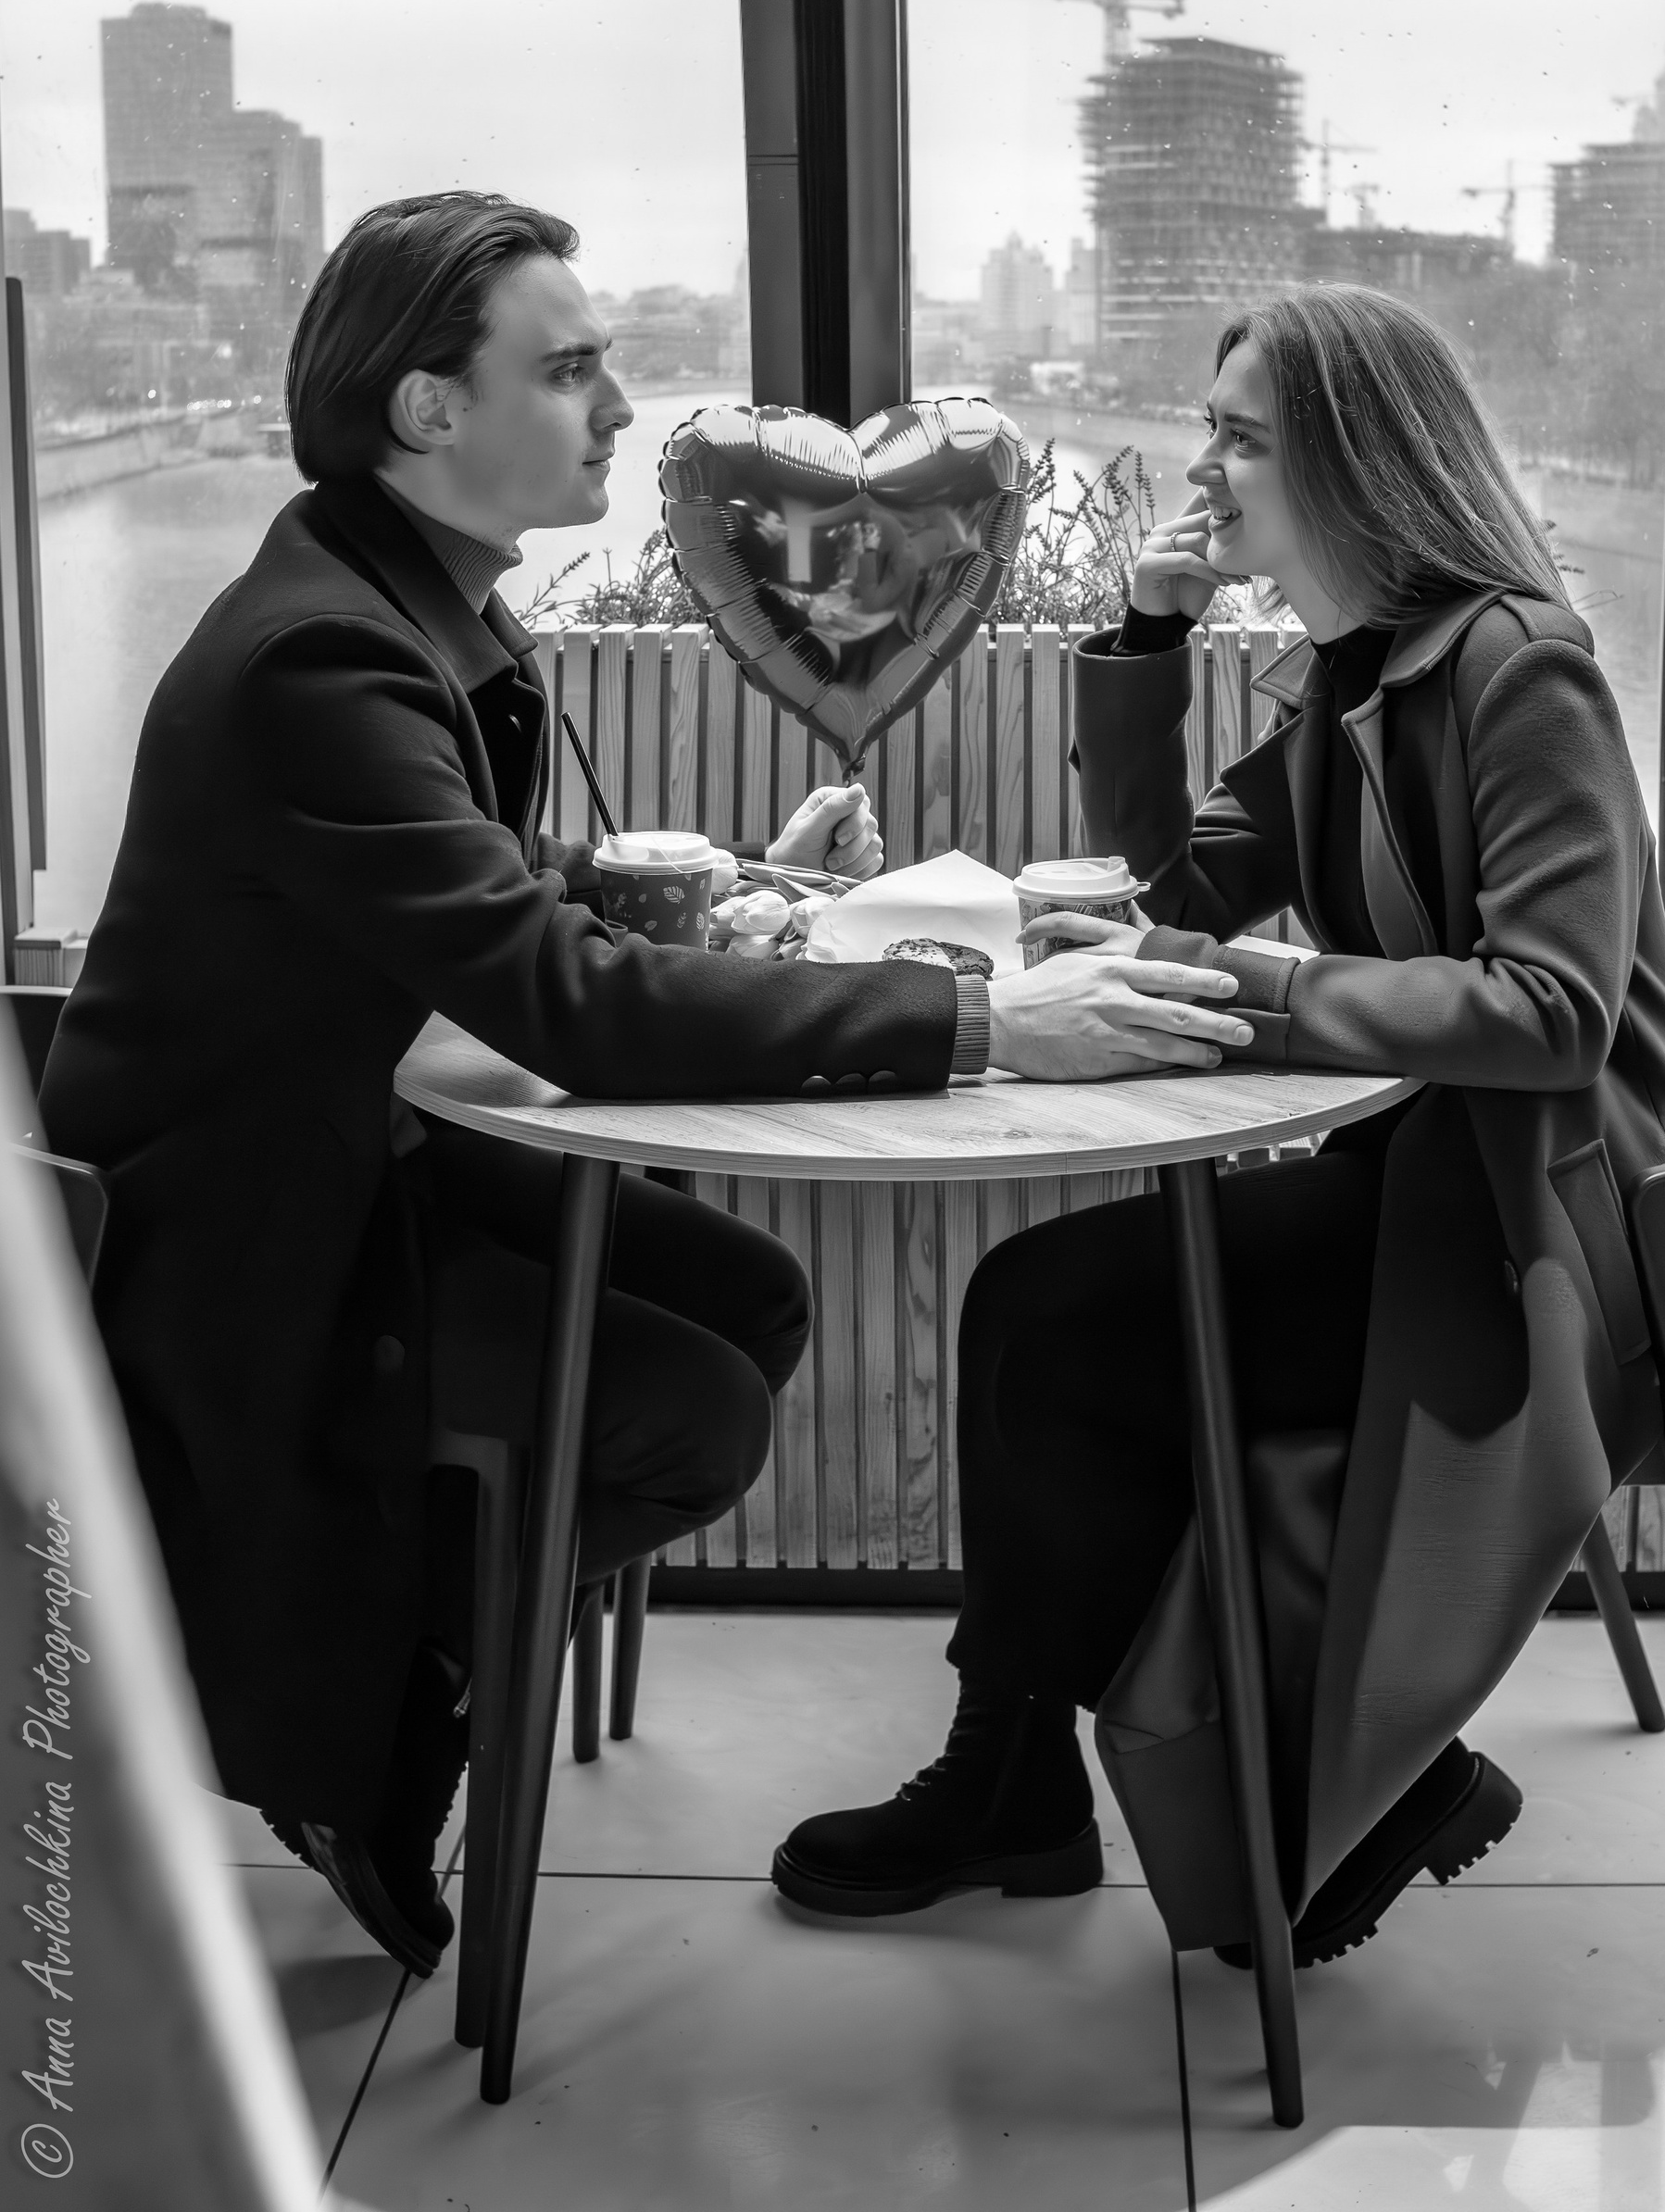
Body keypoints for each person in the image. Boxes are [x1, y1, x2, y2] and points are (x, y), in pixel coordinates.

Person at [39, 191, 1249, 1978]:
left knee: (750, 1293)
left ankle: (429, 1623)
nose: (620, 408)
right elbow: (561, 1006)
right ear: (426, 408)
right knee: (697, 1420)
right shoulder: (324, 661)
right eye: (572, 371)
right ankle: (393, 1699)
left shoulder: (394, 603)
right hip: (251, 1240)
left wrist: (742, 881)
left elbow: (495, 899)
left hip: (352, 1152)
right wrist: (987, 1023)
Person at [773, 283, 1665, 1969]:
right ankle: (1134, 1769)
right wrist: (1147, 641)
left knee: (1060, 1318)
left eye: (1240, 437)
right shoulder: (1358, 678)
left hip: (1556, 1241)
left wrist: (1262, 988)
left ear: (1355, 461)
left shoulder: (1522, 669)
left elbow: (1555, 1012)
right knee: (1057, 1314)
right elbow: (1178, 891)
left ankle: (1176, 1773)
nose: (1201, 466)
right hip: (1439, 1187)